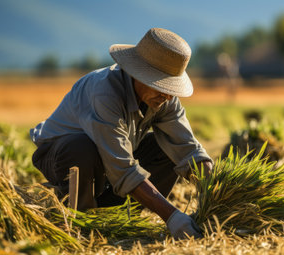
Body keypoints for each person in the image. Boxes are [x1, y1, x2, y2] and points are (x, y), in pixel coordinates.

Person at [30, 28, 213, 240]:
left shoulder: (165, 99)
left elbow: (188, 150)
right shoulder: (104, 93)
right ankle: (83, 220)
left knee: (164, 151)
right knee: (81, 148)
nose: (167, 95)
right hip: (62, 155)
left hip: (108, 162)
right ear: (138, 74)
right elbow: (122, 168)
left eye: (170, 88)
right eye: (159, 85)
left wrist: (216, 191)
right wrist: (172, 216)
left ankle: (118, 217)